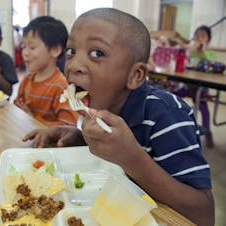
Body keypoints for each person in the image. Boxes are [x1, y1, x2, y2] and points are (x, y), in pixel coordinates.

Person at [21, 8, 214, 225]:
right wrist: (79, 137)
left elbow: (205, 214)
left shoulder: (166, 115)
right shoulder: (102, 105)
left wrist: (131, 158)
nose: (73, 65)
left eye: (97, 53)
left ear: (134, 75)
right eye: (71, 51)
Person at [14, 16, 78, 127]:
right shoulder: (27, 79)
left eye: (32, 47)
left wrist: (32, 118)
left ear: (55, 50)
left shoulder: (61, 87)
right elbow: (17, 106)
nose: (25, 53)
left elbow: (68, 127)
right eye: (24, 46)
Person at [173, 25, 216, 148]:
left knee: (204, 108)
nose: (200, 39)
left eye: (203, 36)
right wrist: (190, 50)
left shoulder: (210, 53)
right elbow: (184, 61)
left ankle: (208, 132)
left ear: (208, 39)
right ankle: (174, 124)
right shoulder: (192, 52)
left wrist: (203, 51)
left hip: (201, 88)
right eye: (197, 36)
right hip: (188, 86)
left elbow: (211, 64)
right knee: (173, 95)